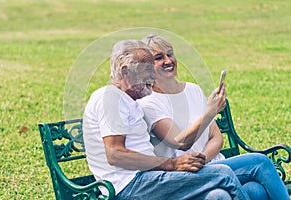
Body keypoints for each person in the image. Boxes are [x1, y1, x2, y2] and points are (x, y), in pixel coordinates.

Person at [83, 39, 251, 200]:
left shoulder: (130, 101)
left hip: (149, 177)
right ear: (126, 71)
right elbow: (115, 154)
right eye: (147, 69)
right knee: (223, 174)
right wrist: (172, 164)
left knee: (217, 197)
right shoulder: (111, 98)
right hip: (130, 185)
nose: (152, 75)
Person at [138, 34, 290, 200]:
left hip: (212, 165)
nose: (168, 61)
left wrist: (204, 161)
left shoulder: (193, 90)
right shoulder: (149, 104)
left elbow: (216, 137)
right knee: (261, 163)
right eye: (159, 58)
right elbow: (180, 142)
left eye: (170, 54)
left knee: (249, 191)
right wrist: (210, 112)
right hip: (186, 175)